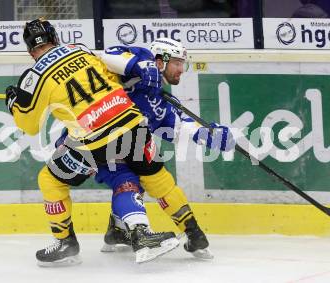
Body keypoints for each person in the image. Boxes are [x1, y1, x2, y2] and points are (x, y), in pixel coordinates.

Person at [5, 18, 181, 266]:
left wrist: (14, 103)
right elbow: (112, 77)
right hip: (132, 120)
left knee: (50, 179)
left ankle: (65, 241)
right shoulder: (80, 49)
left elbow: (29, 126)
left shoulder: (33, 76)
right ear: (56, 38)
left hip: (94, 137)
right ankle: (142, 234)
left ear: (30, 50)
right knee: (127, 179)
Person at [95, 38, 235, 259]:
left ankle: (192, 232)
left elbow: (181, 126)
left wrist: (209, 135)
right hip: (94, 136)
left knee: (158, 180)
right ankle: (74, 237)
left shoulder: (161, 100)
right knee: (128, 182)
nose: (181, 69)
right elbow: (105, 56)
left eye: (183, 64)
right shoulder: (141, 57)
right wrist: (139, 66)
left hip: (129, 143)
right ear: (160, 60)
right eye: (177, 63)